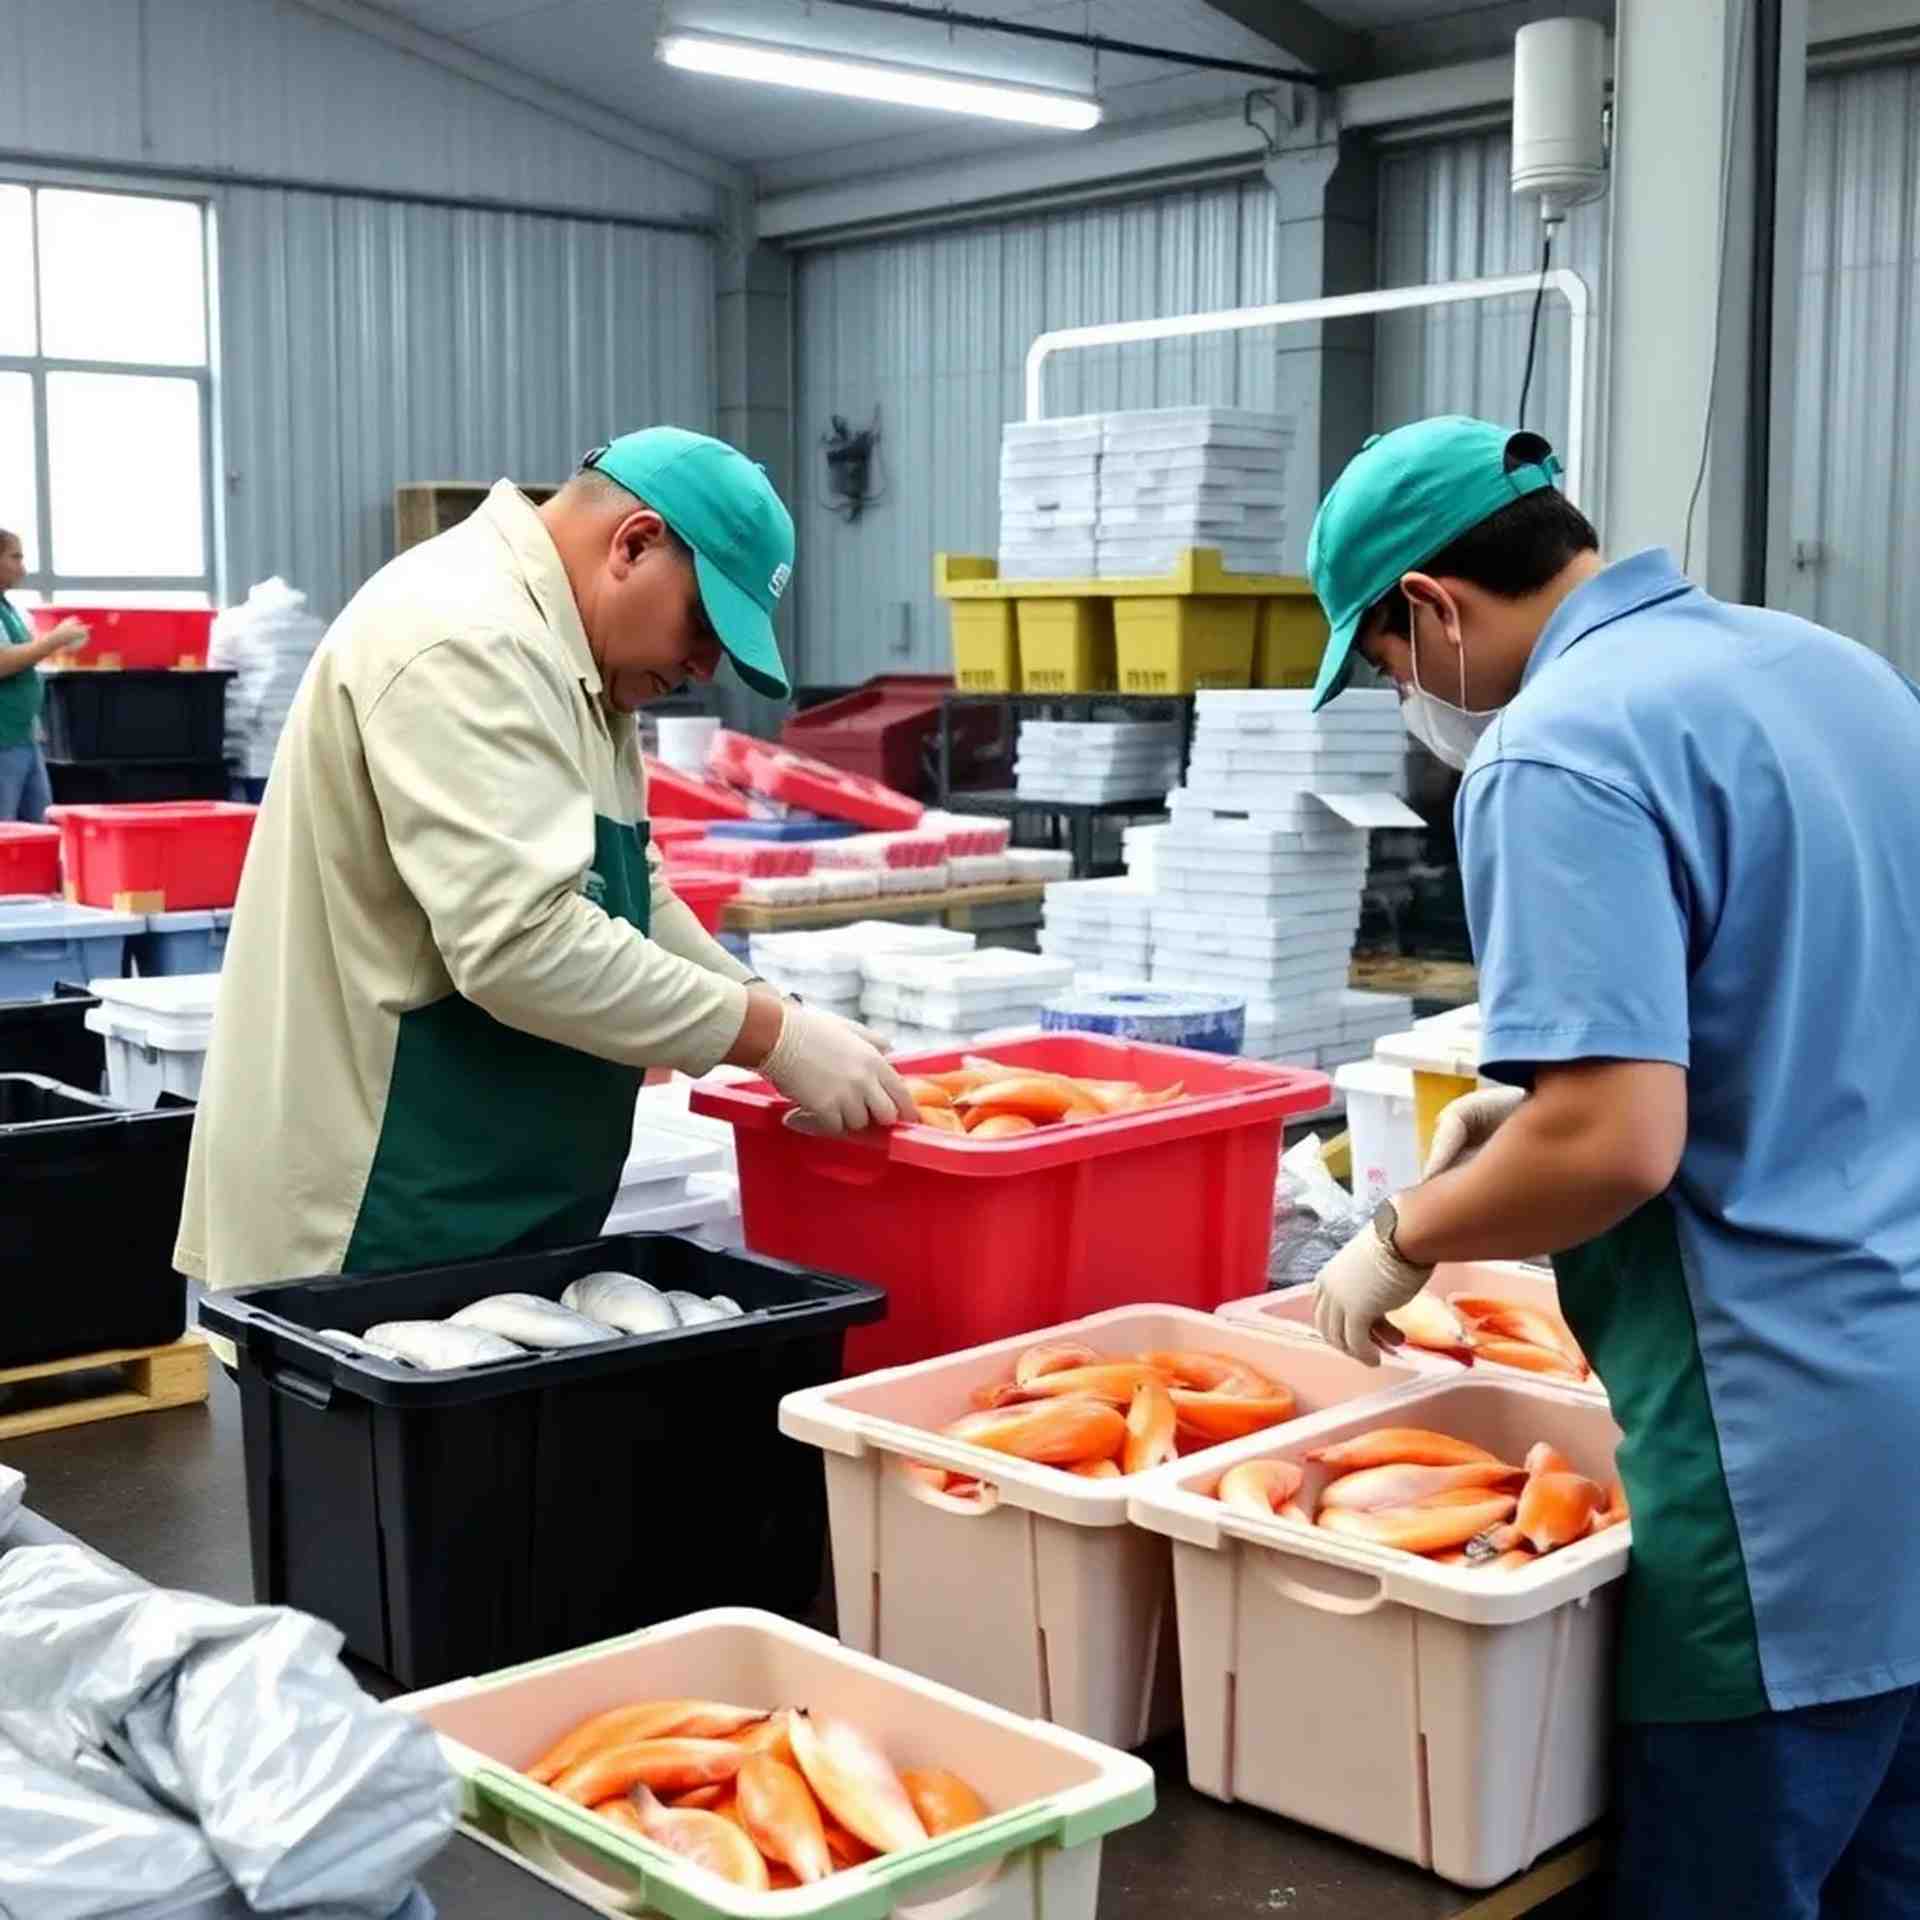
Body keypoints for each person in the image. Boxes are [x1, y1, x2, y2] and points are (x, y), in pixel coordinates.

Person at [1303, 416, 1920, 1916]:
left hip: (1775, 1456)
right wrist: (1521, 1123)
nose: (1409, 698)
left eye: (1386, 663)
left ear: (1433, 606)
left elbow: (1618, 1143)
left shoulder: (1558, 746)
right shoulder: (1836, 671)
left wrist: (1412, 1226)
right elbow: (1804, 1011)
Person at [177, 428, 914, 1309]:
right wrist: (768, 1038)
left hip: (480, 1196)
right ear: (633, 544)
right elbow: (521, 944)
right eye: (704, 624)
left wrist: (782, 1015)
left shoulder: (579, 663)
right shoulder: (468, 640)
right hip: (379, 1204)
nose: (702, 667)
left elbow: (633, 891)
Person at [0, 528, 88, 822]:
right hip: (4, 743)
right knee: (7, 836)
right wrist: (54, 640)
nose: (22, 567)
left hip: (23, 738)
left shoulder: (8, 609)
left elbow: (22, 657)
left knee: (39, 834)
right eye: (15, 556)